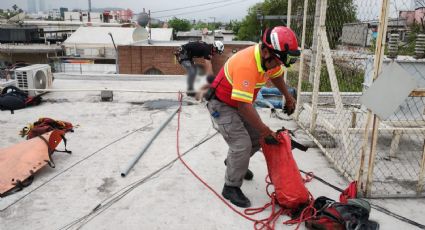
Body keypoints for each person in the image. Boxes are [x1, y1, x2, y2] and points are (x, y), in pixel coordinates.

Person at [206, 26, 300, 208]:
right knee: (242, 144)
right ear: (266, 52)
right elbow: (244, 107)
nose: (278, 65)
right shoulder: (246, 64)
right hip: (221, 105)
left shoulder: (270, 60)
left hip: (238, 104)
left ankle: (233, 163)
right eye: (277, 61)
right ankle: (230, 187)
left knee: (257, 139)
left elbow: (277, 76)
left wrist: (288, 97)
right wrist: (266, 130)